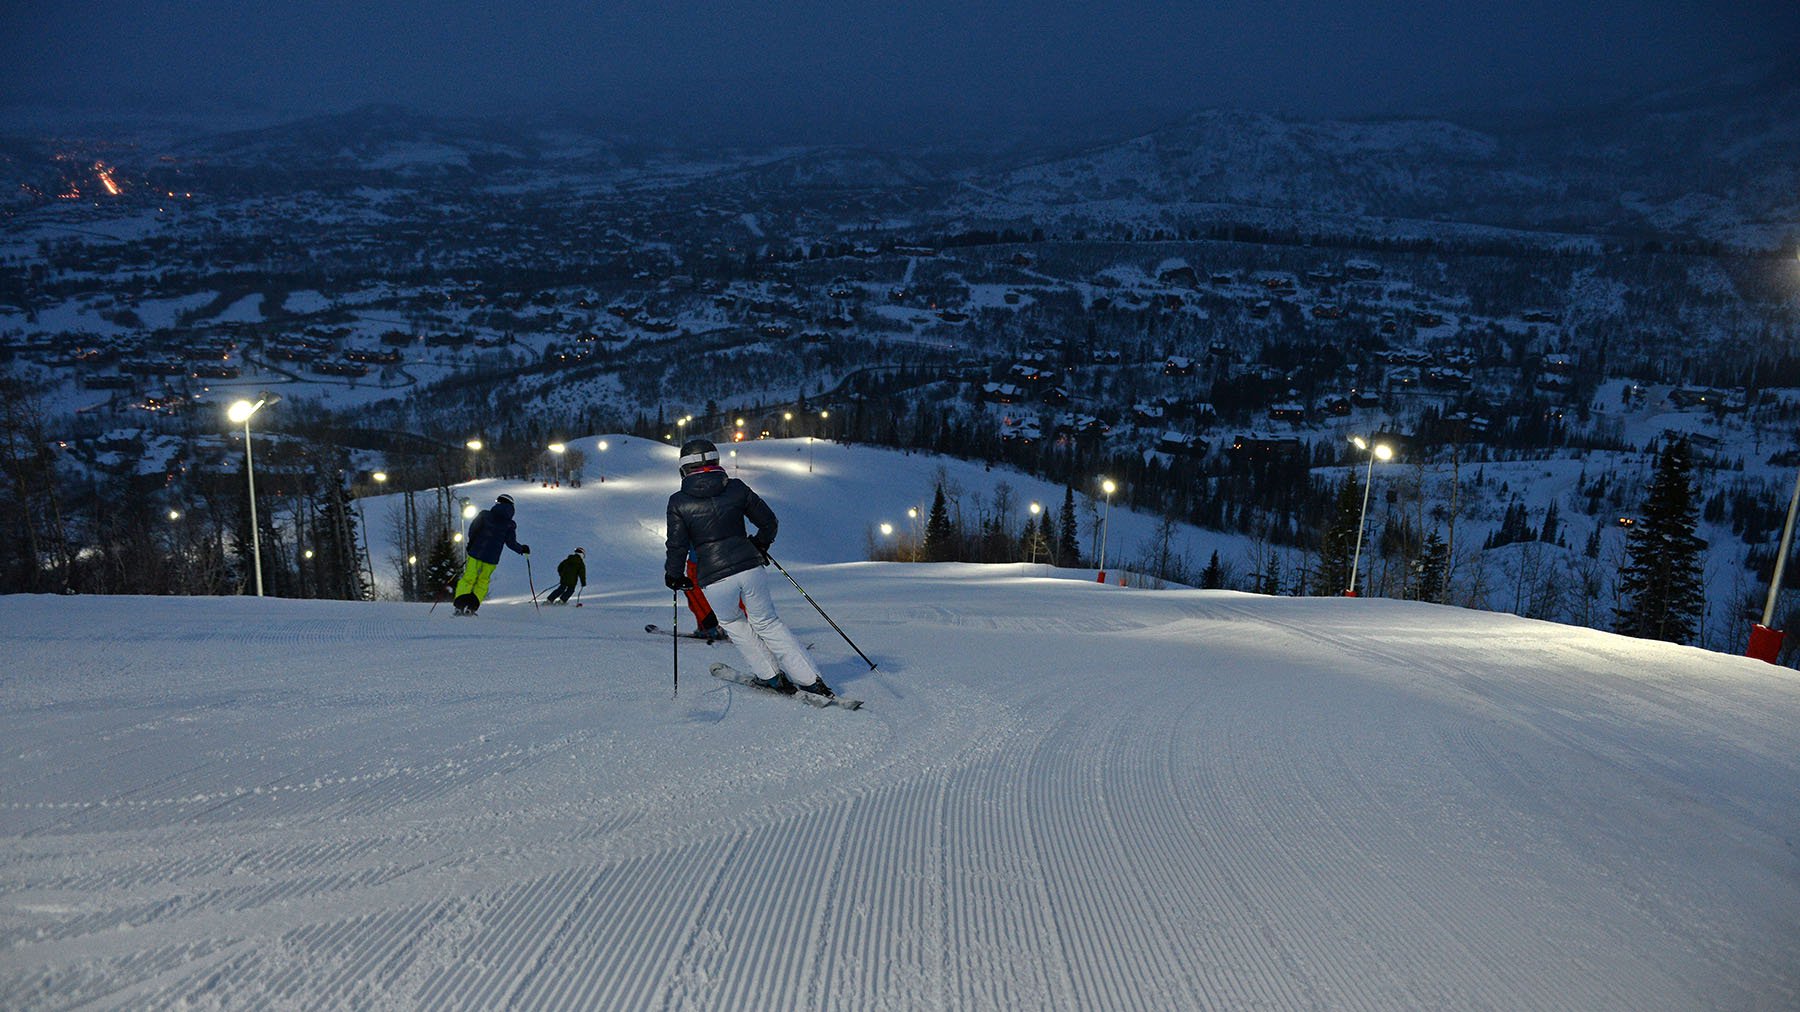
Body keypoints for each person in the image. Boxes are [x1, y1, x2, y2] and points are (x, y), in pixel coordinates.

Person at [663, 438, 831, 697]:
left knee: (732, 621)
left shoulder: (678, 502)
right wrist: (759, 545)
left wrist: (675, 576)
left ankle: (771, 677)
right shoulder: (737, 488)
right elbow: (769, 522)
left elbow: (677, 545)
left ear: (683, 469)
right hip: (750, 567)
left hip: (714, 577)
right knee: (768, 622)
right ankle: (810, 680)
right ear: (716, 461)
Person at [453, 493, 529, 615]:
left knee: (468, 578)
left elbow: (473, 530)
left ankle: (459, 606)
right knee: (483, 581)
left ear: (498, 503)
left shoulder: (484, 515)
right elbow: (511, 543)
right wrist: (522, 549)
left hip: (476, 553)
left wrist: (471, 545)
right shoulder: (509, 524)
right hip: (491, 559)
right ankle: (471, 608)